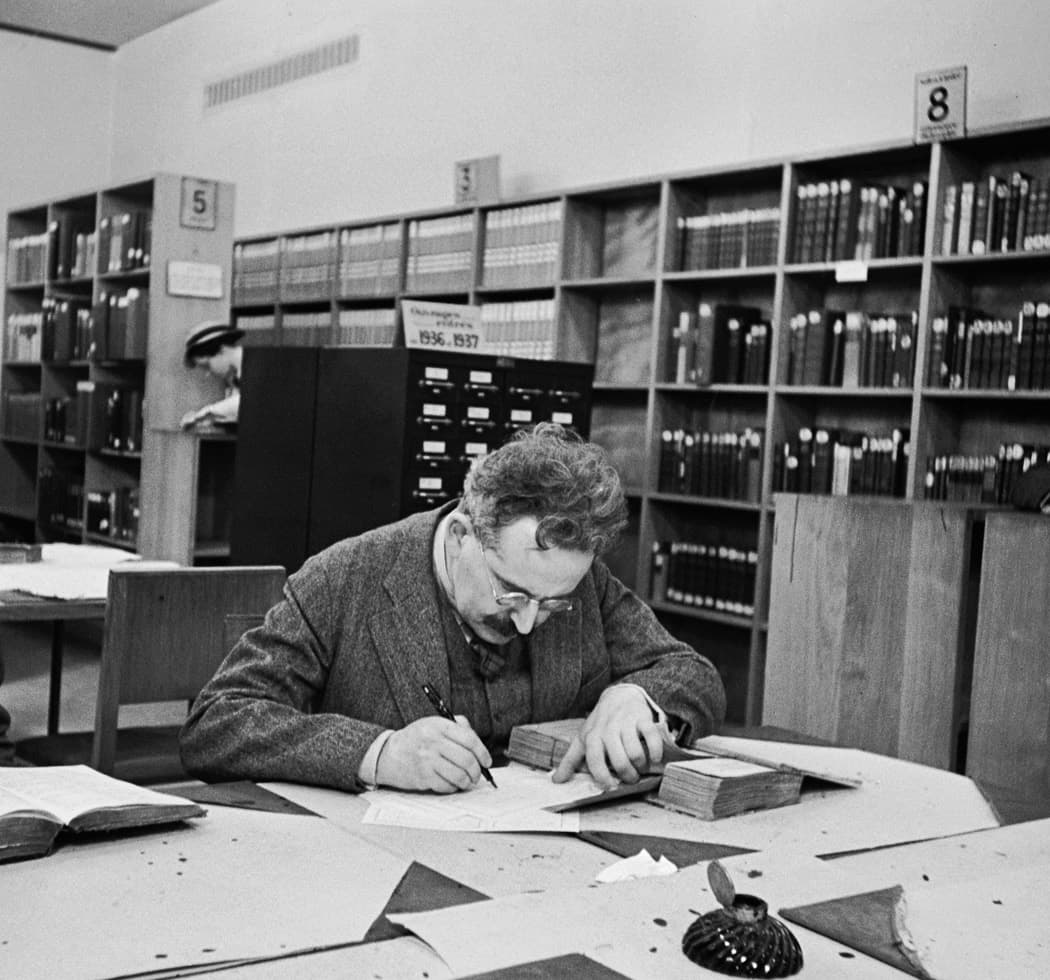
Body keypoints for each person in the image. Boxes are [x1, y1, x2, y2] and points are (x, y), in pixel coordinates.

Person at [180, 422, 725, 793]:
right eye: (510, 592)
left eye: (551, 604)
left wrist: (637, 697)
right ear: (463, 533)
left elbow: (694, 674)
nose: (527, 620)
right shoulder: (344, 578)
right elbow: (218, 722)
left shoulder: (577, 583)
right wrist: (379, 753)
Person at [179, 320, 244, 429]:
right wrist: (208, 420)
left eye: (207, 366)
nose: (208, 373)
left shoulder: (262, 364)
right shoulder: (236, 377)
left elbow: (246, 402)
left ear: (222, 350)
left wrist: (209, 411)